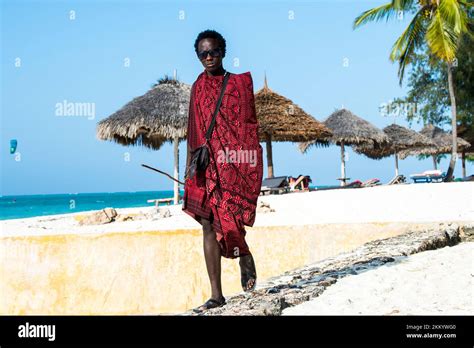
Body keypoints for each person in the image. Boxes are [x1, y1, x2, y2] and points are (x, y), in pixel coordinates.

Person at [182, 29, 263, 313]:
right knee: (207, 223)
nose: (208, 57)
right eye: (203, 53)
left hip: (234, 162)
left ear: (223, 51)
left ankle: (244, 254)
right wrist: (190, 166)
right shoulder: (196, 86)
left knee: (231, 218)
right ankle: (217, 295)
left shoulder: (239, 85)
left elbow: (248, 127)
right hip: (205, 164)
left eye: (213, 52)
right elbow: (194, 128)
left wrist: (242, 159)